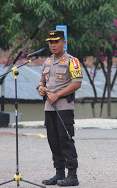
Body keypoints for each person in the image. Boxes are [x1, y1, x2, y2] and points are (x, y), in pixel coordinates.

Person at [37, 30, 83, 186]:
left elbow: (77, 83)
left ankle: (72, 176)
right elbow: (41, 82)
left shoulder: (72, 61)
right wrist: (41, 89)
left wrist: (57, 95)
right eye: (50, 42)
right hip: (49, 108)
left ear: (64, 42)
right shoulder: (47, 62)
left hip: (64, 107)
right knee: (53, 141)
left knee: (65, 140)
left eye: (56, 41)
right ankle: (59, 174)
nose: (53, 45)